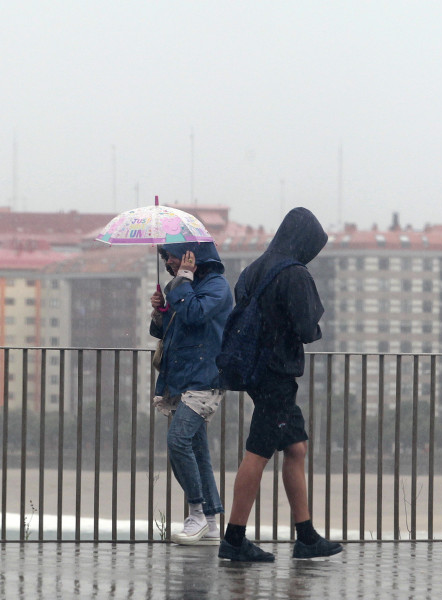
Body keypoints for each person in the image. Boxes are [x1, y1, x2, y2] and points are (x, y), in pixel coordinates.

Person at [218, 207, 343, 562]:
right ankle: (234, 539)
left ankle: (305, 536)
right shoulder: (294, 273)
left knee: (296, 447)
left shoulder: (254, 269)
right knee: (257, 453)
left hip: (257, 370)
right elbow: (306, 327)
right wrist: (312, 327)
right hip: (278, 373)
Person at [150, 241, 232, 545]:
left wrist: (181, 282)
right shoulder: (182, 285)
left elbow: (197, 314)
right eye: (167, 258)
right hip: (183, 378)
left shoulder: (216, 285)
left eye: (174, 257)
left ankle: (196, 513)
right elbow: (171, 330)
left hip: (206, 377)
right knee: (197, 449)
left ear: (193, 256)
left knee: (178, 441)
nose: (170, 263)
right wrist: (160, 312)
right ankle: (210, 521)